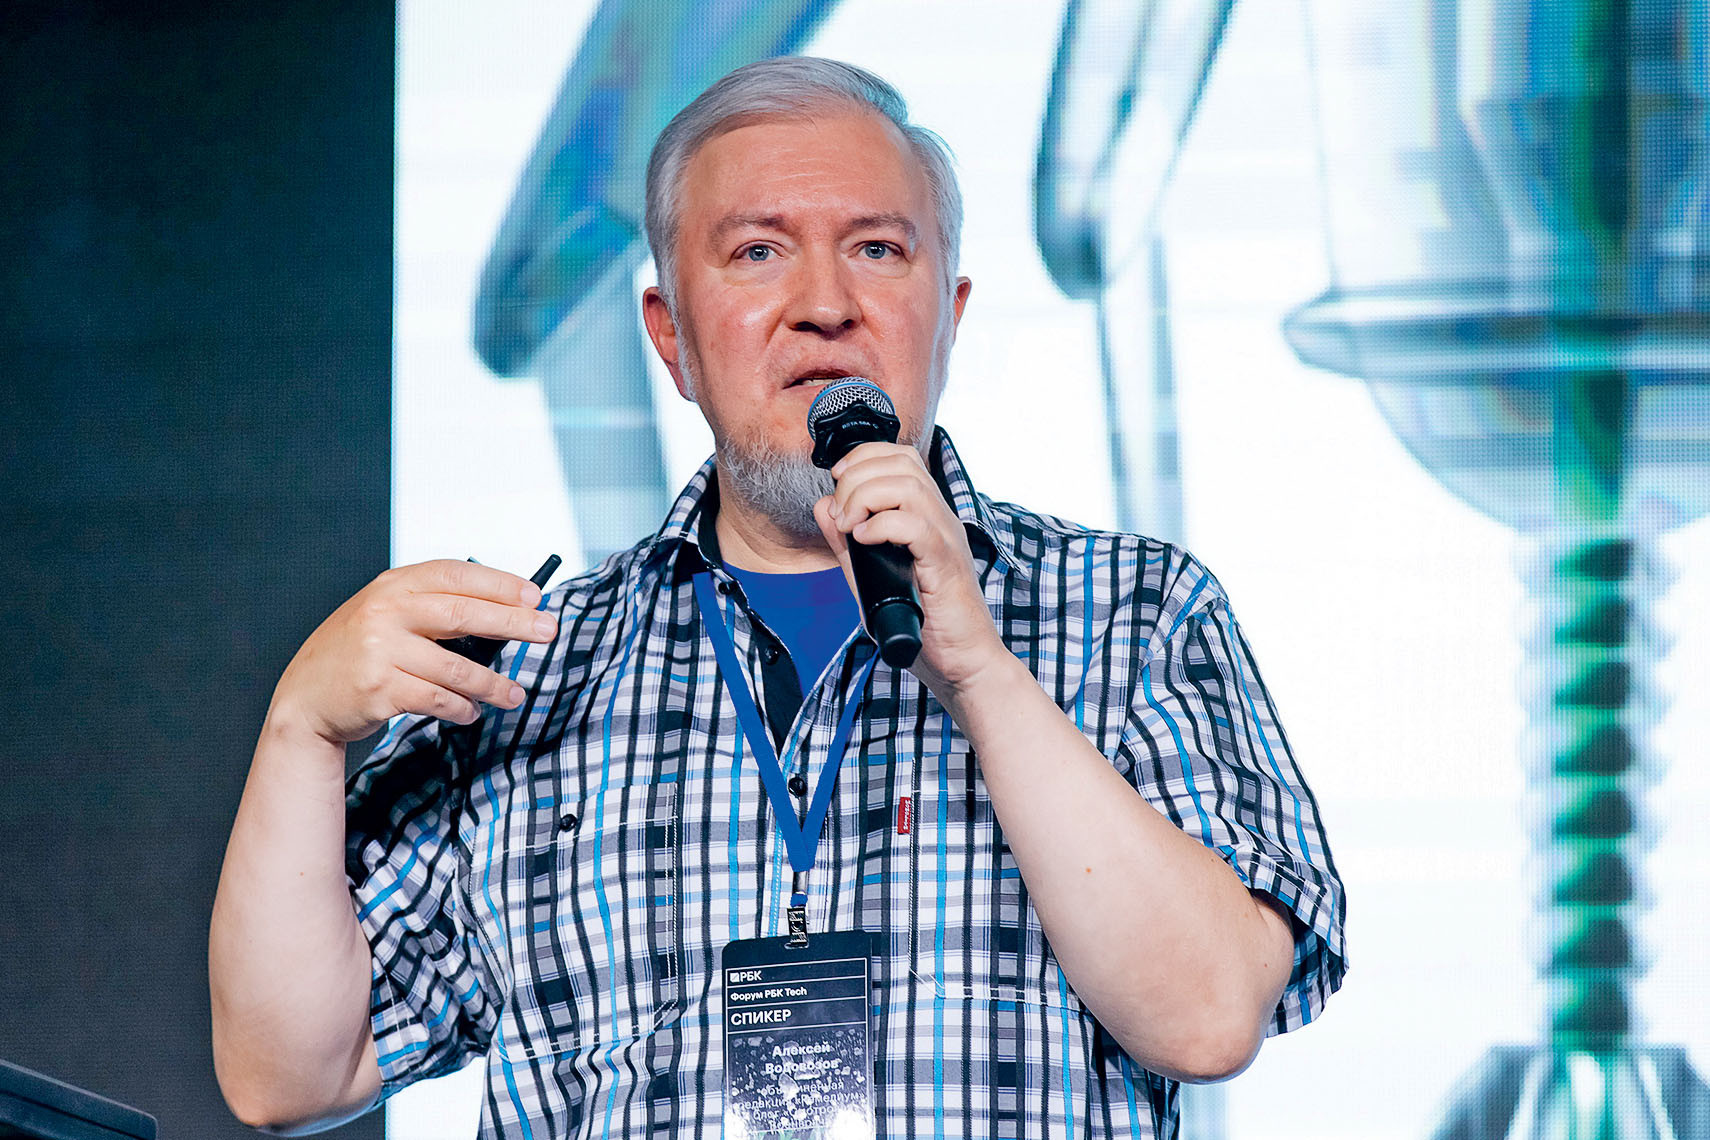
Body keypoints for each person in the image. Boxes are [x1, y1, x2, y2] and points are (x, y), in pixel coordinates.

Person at [209, 56, 1345, 1139]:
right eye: (758, 252)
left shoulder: (1136, 610)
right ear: (671, 339)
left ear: (949, 315)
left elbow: (1209, 1017)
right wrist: (300, 728)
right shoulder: (530, 667)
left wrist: (982, 674)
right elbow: (289, 1073)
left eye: (878, 249)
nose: (825, 304)